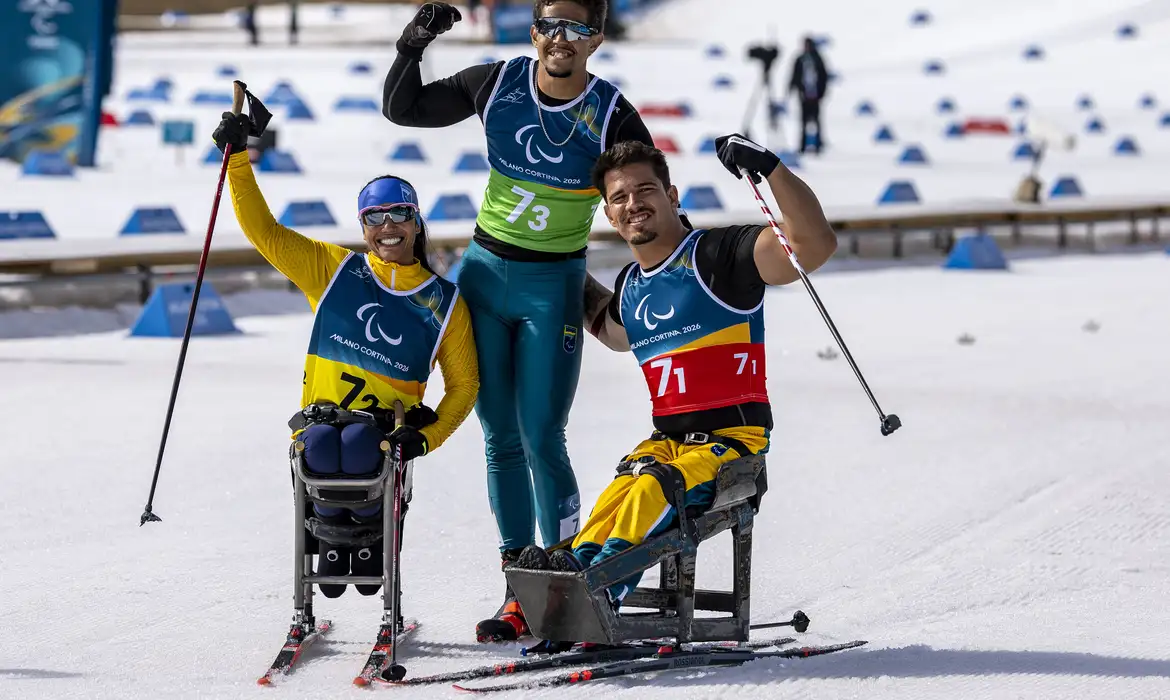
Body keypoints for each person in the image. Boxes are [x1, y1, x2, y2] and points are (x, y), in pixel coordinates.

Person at [382, 0, 655, 641]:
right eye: (551, 25)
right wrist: (411, 44)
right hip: (483, 279)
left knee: (541, 433)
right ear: (535, 32)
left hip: (552, 287)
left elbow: (645, 195)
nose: (562, 38)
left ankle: (566, 575)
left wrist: (682, 265)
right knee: (499, 437)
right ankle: (517, 587)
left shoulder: (611, 113)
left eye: (578, 27)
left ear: (597, 38)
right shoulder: (496, 82)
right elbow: (405, 108)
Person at [511, 135, 838, 612]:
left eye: (644, 190)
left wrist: (771, 168)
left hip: (733, 446)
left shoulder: (719, 255)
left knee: (651, 488)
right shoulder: (632, 284)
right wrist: (553, 263)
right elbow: (611, 327)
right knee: (620, 492)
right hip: (666, 445)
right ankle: (568, 576)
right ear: (608, 214)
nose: (632, 205)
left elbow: (815, 244)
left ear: (671, 196)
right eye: (619, 198)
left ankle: (595, 595)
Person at [212, 107, 480, 599]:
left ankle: (363, 542)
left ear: (417, 222)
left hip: (379, 432)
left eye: (400, 213)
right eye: (374, 218)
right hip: (322, 422)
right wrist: (237, 160)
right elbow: (265, 232)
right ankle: (333, 544)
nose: (388, 226)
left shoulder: (444, 301)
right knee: (317, 448)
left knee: (358, 445)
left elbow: (465, 386)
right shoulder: (334, 270)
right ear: (363, 227)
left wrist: (427, 438)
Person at [788, 36, 829, 154]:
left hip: (815, 96)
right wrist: (792, 88)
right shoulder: (800, 59)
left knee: (816, 121)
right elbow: (795, 75)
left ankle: (818, 145)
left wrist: (821, 93)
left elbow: (823, 76)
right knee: (803, 122)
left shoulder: (818, 59)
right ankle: (802, 146)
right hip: (804, 95)